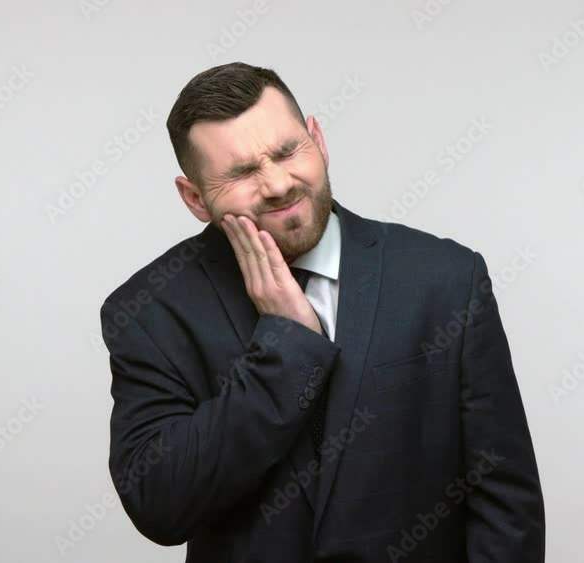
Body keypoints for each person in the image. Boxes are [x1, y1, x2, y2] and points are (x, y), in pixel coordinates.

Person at [99, 61, 545, 562]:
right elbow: (160, 505)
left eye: (288, 151)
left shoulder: (446, 280)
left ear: (318, 139)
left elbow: (507, 505)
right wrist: (286, 346)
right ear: (195, 198)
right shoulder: (149, 311)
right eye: (242, 172)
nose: (278, 184)